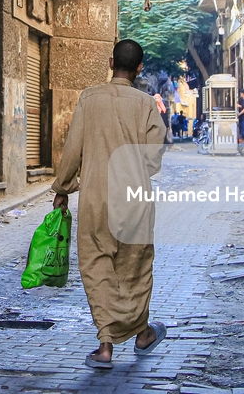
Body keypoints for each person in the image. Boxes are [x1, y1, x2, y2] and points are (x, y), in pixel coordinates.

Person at [52, 39, 168, 370]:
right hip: (134, 200)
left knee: (97, 266)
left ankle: (105, 347)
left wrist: (62, 188)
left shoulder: (89, 98)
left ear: (110, 62)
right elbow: (154, 158)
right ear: (140, 68)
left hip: (95, 199)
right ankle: (141, 334)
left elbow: (72, 148)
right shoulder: (146, 104)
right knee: (136, 267)